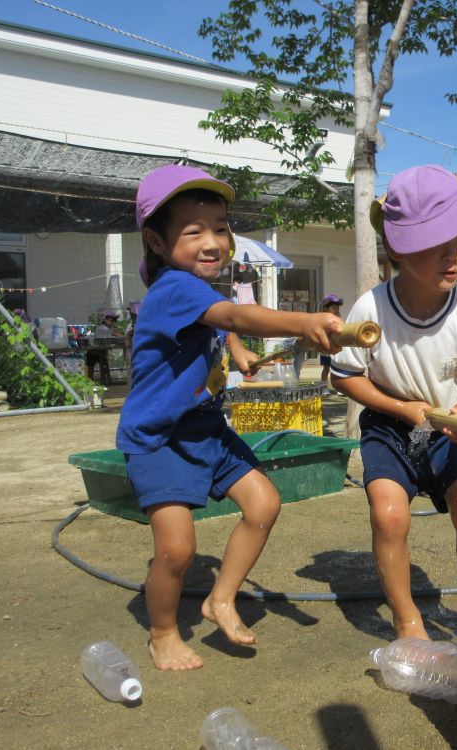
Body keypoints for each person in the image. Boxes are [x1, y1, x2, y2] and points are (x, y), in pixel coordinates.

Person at [116, 164, 343, 671]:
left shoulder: (199, 292)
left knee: (263, 503)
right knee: (176, 550)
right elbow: (234, 316)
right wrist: (302, 320)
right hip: (160, 440)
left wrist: (237, 350)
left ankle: (221, 598)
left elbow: (223, 325)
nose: (213, 241)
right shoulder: (174, 288)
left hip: (206, 430)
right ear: (156, 240)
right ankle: (163, 632)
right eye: (193, 231)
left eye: (220, 227)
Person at [329, 164, 457, 650]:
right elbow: (344, 377)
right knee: (389, 516)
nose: (453, 258)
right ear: (399, 250)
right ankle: (408, 623)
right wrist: (403, 410)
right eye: (436, 247)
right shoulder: (371, 309)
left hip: (450, 426)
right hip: (391, 427)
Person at [86, 308, 118, 384]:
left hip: (100, 351)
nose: (111, 323)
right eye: (110, 320)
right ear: (105, 320)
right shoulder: (103, 328)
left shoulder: (107, 328)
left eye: (112, 321)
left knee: (104, 366)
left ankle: (106, 381)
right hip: (93, 351)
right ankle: (91, 382)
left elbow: (113, 333)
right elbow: (111, 335)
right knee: (92, 368)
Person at [318, 294, 343, 382]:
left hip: (336, 346)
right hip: (326, 347)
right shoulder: (322, 317)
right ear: (325, 308)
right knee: (326, 368)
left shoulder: (338, 317)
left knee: (338, 368)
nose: (336, 310)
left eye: (337, 308)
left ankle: (340, 387)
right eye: (333, 308)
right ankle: (323, 386)